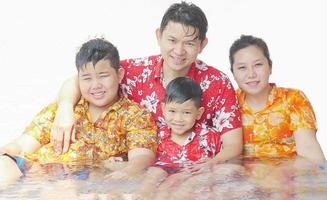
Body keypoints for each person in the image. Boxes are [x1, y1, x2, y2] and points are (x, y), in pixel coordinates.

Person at [52, 1, 243, 168]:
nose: (179, 51)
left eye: (190, 43)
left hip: (193, 170)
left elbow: (233, 145)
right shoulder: (135, 71)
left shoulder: (217, 83)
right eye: (172, 40)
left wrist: (206, 168)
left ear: (202, 45)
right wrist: (65, 108)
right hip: (139, 169)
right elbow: (81, 80)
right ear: (159, 36)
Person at [0, 38, 157, 183]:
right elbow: (22, 145)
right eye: (87, 78)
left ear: (119, 75)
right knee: (4, 163)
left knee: (66, 185)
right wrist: (6, 151)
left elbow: (142, 157)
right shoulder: (64, 109)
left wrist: (126, 171)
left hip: (76, 177)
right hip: (38, 169)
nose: (95, 85)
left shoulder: (135, 115)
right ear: (79, 79)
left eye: (103, 76)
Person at [229, 34, 325, 163]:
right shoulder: (228, 103)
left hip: (288, 176)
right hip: (244, 179)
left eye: (258, 65)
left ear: (270, 67)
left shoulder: (293, 99)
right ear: (233, 73)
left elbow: (309, 150)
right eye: (242, 68)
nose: (251, 74)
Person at [129, 77, 221, 199]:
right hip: (162, 176)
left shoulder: (208, 137)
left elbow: (223, 164)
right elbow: (141, 155)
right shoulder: (157, 135)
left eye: (186, 113)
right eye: (172, 111)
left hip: (192, 181)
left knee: (189, 184)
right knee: (153, 173)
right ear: (163, 109)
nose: (178, 119)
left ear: (198, 113)